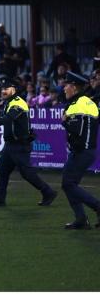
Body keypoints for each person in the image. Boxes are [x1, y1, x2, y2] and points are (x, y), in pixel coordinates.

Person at [0, 77, 58, 208]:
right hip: (12, 144)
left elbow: (9, 118)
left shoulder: (18, 103)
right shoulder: (10, 102)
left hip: (19, 145)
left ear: (14, 89)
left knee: (27, 173)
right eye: (2, 89)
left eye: (6, 88)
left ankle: (48, 192)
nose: (3, 91)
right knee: (3, 170)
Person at [59, 72, 100, 229]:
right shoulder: (89, 102)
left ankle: (95, 207)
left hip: (81, 150)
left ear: (74, 87)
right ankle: (81, 219)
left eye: (66, 85)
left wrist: (64, 121)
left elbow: (77, 129)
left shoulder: (77, 105)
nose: (64, 89)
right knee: (68, 183)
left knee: (68, 183)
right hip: (87, 150)